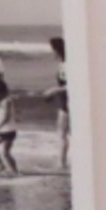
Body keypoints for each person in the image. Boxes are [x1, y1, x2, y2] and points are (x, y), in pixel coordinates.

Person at [44, 36, 70, 169]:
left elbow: (72, 85)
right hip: (63, 100)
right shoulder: (62, 64)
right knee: (62, 132)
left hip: (68, 102)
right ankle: (62, 161)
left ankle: (62, 163)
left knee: (62, 133)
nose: (52, 53)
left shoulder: (67, 65)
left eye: (53, 50)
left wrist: (54, 90)